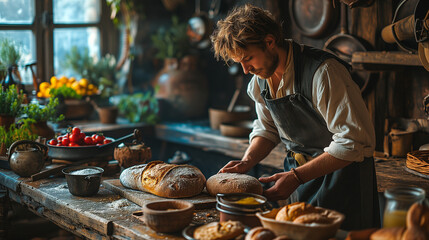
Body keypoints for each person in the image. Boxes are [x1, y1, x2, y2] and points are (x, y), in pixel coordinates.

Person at [210, 4, 380, 230]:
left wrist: (297, 177)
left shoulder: (324, 73)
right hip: (300, 178)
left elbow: (353, 141)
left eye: (248, 58)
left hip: (344, 181)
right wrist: (247, 161)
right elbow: (267, 129)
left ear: (269, 42)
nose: (245, 70)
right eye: (239, 62)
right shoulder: (260, 82)